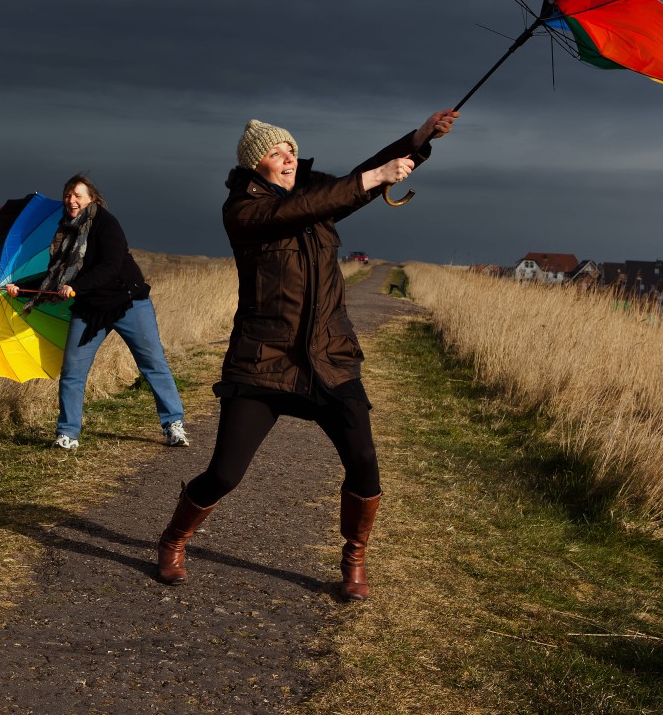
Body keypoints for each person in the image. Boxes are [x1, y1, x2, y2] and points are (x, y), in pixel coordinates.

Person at [154, 109, 458, 600]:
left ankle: (354, 559)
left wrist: (419, 140)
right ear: (257, 167)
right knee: (225, 472)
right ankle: (174, 538)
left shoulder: (317, 198)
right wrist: (373, 178)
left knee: (363, 461)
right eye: (276, 152)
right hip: (264, 362)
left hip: (329, 357)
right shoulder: (243, 211)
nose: (288, 157)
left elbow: (353, 182)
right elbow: (313, 203)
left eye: (291, 148)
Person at [7, 174, 187, 451]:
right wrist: (21, 287)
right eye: (68, 194)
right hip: (90, 308)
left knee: (152, 363)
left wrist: (76, 286)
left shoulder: (106, 223)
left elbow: (110, 266)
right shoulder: (65, 232)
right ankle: (67, 434)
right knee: (73, 371)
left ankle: (174, 425)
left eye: (78, 195)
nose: (71, 200)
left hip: (128, 302)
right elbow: (54, 276)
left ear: (92, 198)